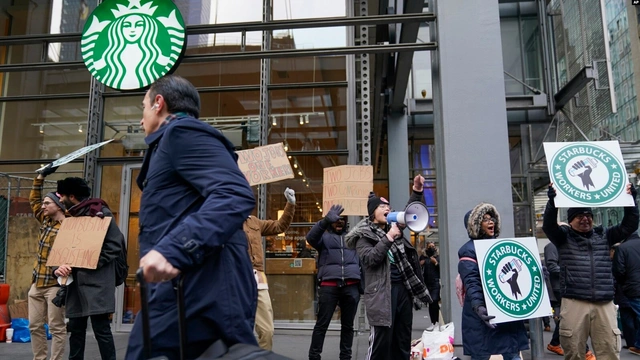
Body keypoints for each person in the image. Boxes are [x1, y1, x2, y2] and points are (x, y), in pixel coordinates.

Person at [125, 75, 257, 359]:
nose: (140, 120)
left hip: (201, 290)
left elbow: (234, 194)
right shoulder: (173, 140)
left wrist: (173, 251)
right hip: (184, 289)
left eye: (143, 107)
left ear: (159, 103)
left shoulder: (182, 133)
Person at [543, 183, 638, 360]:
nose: (585, 219)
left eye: (588, 215)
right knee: (574, 352)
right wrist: (552, 202)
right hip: (574, 301)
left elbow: (629, 225)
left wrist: (631, 200)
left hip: (604, 301)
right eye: (579, 216)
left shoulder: (605, 236)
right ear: (570, 220)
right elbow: (548, 226)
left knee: (609, 350)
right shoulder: (563, 238)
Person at [345, 174, 431, 360]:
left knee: (402, 339)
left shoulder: (394, 227)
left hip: (403, 290)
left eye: (388, 206)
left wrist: (417, 190)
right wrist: (389, 237)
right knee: (381, 343)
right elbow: (370, 259)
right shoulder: (363, 236)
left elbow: (410, 212)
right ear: (372, 212)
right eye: (382, 206)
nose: (388, 208)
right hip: (382, 293)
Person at [54, 177, 126, 360]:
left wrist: (91, 260)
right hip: (75, 284)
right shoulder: (70, 217)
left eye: (62, 196)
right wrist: (58, 266)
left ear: (72, 196)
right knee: (76, 330)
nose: (60, 200)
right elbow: (61, 250)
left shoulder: (101, 213)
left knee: (101, 329)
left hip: (98, 282)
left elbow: (114, 246)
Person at [458, 202, 529, 360]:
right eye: (485, 219)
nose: (491, 222)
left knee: (511, 352)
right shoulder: (468, 250)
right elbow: (472, 282)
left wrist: (534, 274)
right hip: (483, 315)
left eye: (492, 219)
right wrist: (478, 306)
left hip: (504, 312)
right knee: (482, 354)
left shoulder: (501, 247)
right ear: (475, 225)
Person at [243, 188, 296, 350]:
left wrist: (290, 205)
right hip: (236, 278)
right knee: (236, 333)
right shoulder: (225, 221)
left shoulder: (254, 222)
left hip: (258, 279)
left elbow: (280, 226)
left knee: (267, 331)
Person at [307, 204, 360, 360]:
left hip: (351, 287)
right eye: (336, 220)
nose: (339, 222)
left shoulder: (353, 237)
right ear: (331, 221)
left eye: (342, 219)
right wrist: (324, 221)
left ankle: (346, 357)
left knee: (348, 326)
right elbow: (310, 238)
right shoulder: (323, 237)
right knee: (322, 325)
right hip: (329, 286)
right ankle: (314, 357)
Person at [27, 167, 66, 360]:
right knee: (34, 325)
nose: (43, 206)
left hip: (55, 285)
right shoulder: (46, 221)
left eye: (47, 203)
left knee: (57, 327)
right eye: (43, 203)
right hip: (37, 282)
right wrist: (40, 177)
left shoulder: (70, 226)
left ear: (58, 205)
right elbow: (33, 200)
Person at [544, 240, 595, 359]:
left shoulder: (564, 245)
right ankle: (585, 350)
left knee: (567, 316)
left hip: (566, 285)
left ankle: (554, 343)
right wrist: (570, 273)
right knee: (573, 316)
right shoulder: (552, 246)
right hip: (560, 287)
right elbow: (552, 266)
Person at [612, 231, 640, 355]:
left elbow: (619, 271)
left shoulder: (622, 248)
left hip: (633, 288)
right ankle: (638, 345)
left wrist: (623, 285)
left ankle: (638, 345)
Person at [420, 241, 440, 331]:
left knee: (434, 300)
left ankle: (437, 322)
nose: (431, 247)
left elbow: (441, 268)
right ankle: (433, 322)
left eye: (433, 246)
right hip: (427, 282)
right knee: (430, 302)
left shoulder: (437, 257)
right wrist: (421, 264)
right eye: (429, 246)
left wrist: (435, 263)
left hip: (435, 282)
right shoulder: (424, 257)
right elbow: (418, 267)